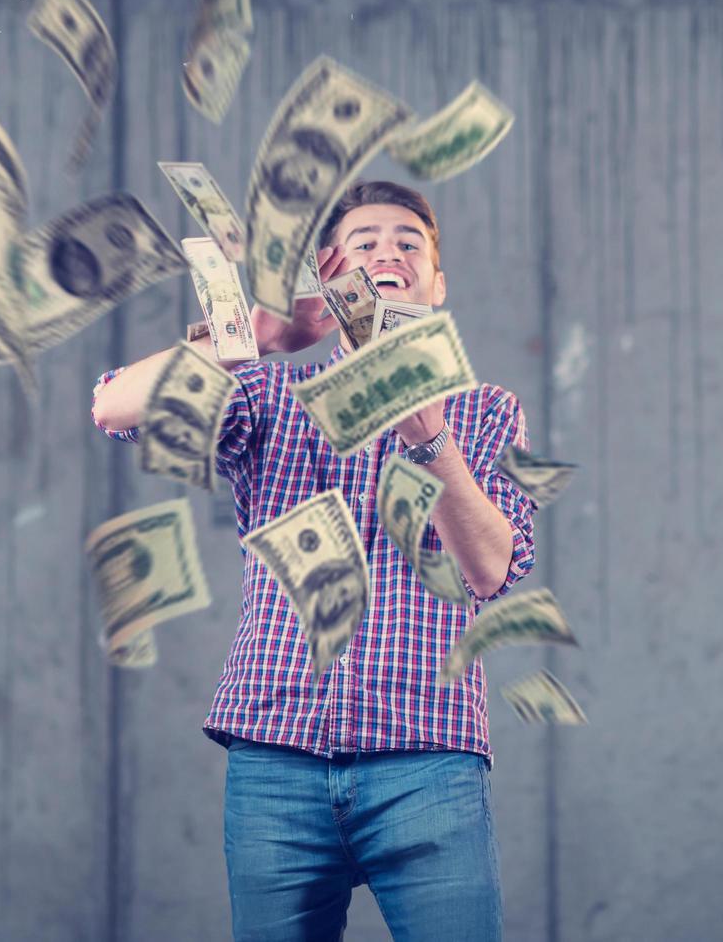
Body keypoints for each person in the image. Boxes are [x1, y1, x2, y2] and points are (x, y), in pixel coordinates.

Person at [90, 180, 536, 941]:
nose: (386, 252)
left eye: (407, 242)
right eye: (363, 243)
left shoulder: (487, 409)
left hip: (427, 757)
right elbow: (115, 406)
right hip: (276, 760)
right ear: (331, 277)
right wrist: (253, 339)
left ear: (436, 283)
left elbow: (491, 571)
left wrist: (432, 442)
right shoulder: (264, 392)